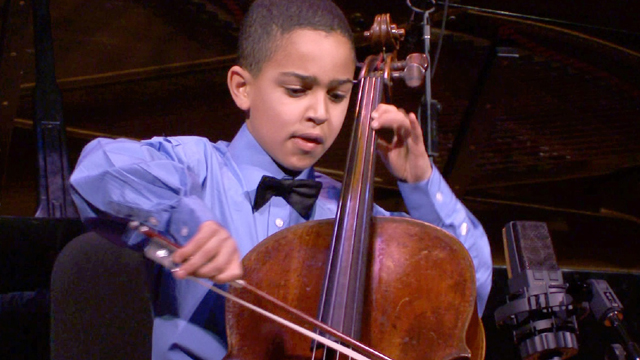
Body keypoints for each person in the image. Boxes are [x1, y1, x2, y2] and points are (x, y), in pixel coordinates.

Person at [69, 0, 492, 359]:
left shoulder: (352, 220)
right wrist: (186, 219)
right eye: (296, 90)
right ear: (242, 88)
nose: (320, 113)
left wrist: (420, 179)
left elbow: (466, 286)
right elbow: (99, 168)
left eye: (337, 95)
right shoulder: (195, 169)